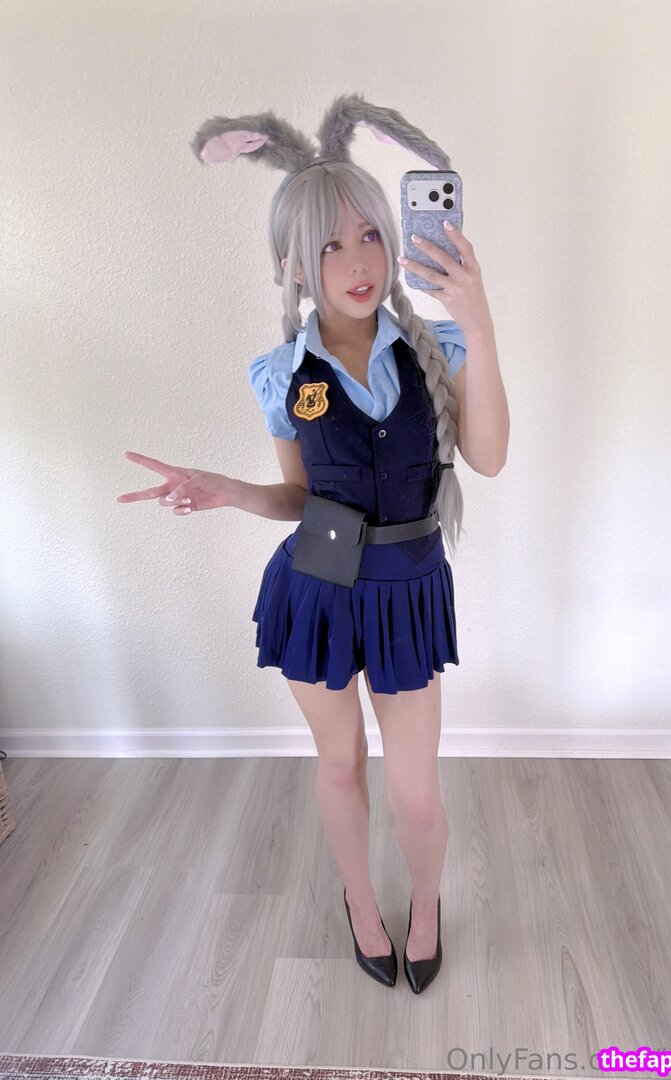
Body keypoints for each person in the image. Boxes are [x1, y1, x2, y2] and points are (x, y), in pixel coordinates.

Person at [116, 93, 509, 995]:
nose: (358, 260)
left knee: (416, 793)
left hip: (407, 589)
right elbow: (300, 499)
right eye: (330, 245)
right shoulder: (281, 375)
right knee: (340, 762)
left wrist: (481, 320)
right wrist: (227, 491)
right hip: (317, 591)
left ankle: (426, 903)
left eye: (369, 234)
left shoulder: (442, 347)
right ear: (292, 262)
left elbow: (487, 458)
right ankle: (361, 904)